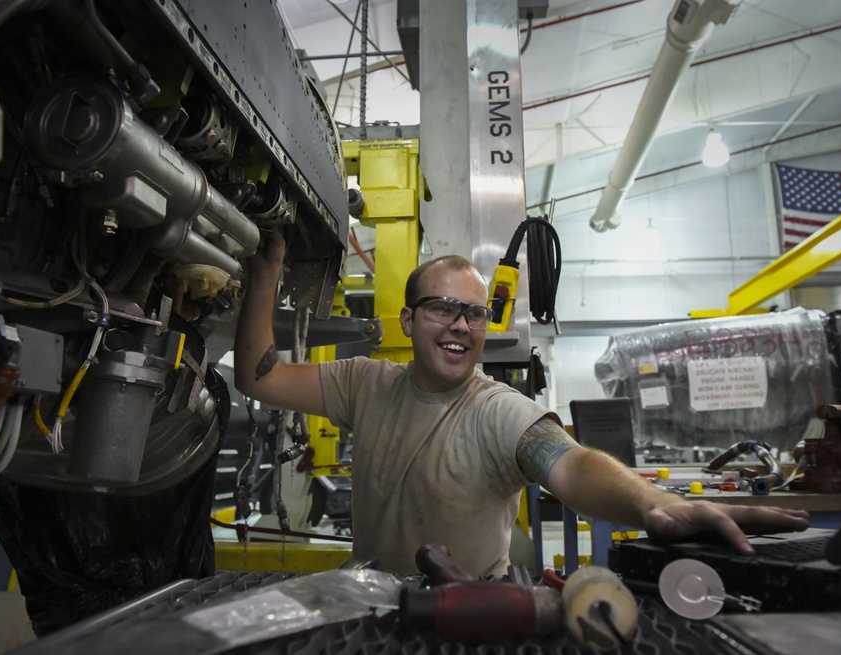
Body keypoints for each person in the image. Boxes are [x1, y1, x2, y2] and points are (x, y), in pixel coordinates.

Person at [234, 232, 810, 577]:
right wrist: (266, 273)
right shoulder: (363, 383)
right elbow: (262, 378)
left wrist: (652, 503)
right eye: (442, 308)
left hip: (472, 615)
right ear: (408, 320)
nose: (461, 326)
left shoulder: (498, 411)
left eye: (475, 314)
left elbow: (572, 464)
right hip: (379, 605)